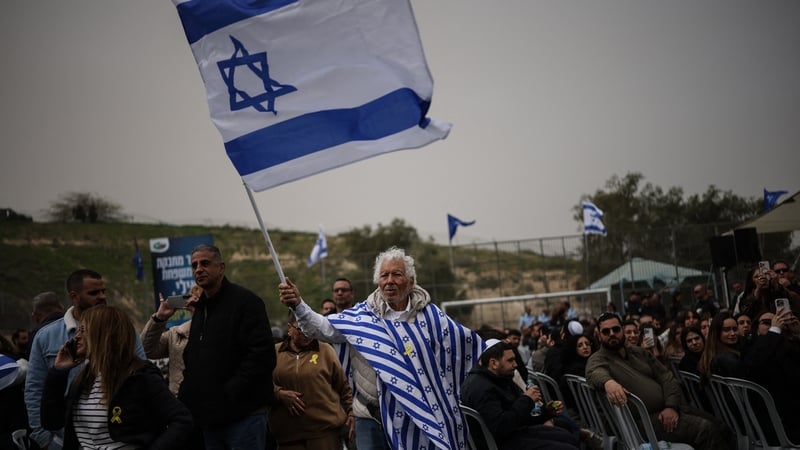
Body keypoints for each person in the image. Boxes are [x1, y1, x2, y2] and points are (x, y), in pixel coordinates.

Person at [278, 246, 483, 450]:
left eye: (397, 274)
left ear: (411, 282)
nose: (390, 280)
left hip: (418, 416)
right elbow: (323, 327)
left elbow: (464, 347)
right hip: (369, 416)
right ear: (378, 281)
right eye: (384, 275)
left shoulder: (432, 317)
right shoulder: (362, 317)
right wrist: (299, 305)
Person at [40, 305, 192, 449]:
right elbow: (51, 422)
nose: (77, 336)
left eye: (83, 330)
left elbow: (181, 420)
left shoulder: (140, 376)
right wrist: (58, 372)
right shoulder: (83, 379)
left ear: (103, 334)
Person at [25, 269, 145, 450]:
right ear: (74, 297)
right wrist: (45, 440)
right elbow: (34, 390)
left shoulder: (124, 330)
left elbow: (143, 375)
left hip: (119, 436)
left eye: (103, 291)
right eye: (94, 293)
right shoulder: (45, 337)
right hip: (66, 439)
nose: (102, 297)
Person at [178, 244, 276, 450]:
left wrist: (228, 392)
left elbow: (262, 356)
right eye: (194, 265)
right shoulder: (200, 310)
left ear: (221, 268)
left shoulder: (246, 302)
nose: (198, 269)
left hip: (244, 417)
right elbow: (193, 358)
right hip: (210, 420)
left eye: (205, 263)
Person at [585, 312, 730, 450]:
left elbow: (666, 377)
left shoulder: (639, 352)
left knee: (721, 426)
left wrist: (671, 406)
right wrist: (609, 383)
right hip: (641, 422)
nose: (611, 334)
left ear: (622, 330)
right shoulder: (598, 358)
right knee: (705, 429)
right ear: (599, 335)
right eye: (606, 331)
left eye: (615, 329)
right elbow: (593, 372)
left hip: (669, 409)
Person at [460, 340, 581, 450]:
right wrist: (526, 399)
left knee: (567, 435)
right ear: (493, 363)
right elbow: (501, 427)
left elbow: (518, 418)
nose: (515, 364)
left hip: (513, 435)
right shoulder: (482, 388)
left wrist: (546, 412)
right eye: (510, 360)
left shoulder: (498, 378)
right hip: (499, 444)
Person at [269, 312, 354, 450]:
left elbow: (344, 387)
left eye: (311, 328)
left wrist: (351, 412)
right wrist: (278, 394)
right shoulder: (275, 353)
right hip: (287, 433)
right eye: (302, 329)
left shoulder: (326, 350)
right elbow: (260, 383)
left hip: (323, 432)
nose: (307, 334)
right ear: (290, 329)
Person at [139, 285, 201, 395]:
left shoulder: (223, 329)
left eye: (199, 300)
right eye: (192, 300)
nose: (194, 304)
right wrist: (159, 318)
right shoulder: (176, 333)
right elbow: (146, 349)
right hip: (180, 402)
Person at [697, 311, 746, 384]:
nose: (733, 333)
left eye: (735, 329)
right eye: (726, 330)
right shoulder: (727, 359)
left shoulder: (711, 353)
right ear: (717, 333)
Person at [28, 291, 65, 359]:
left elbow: (34, 366)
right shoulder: (80, 325)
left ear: (36, 314)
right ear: (61, 307)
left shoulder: (38, 333)